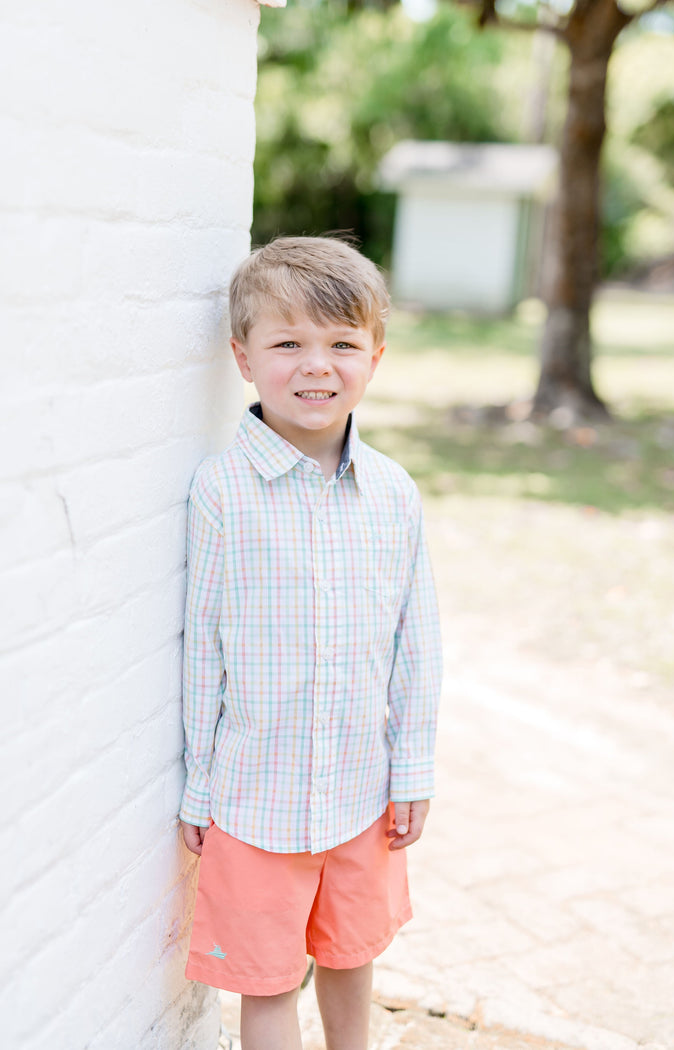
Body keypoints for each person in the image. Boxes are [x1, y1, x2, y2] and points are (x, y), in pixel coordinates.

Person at [179, 236, 442, 1050]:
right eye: (287, 343)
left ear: (376, 356)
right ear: (244, 358)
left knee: (351, 952)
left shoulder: (393, 494)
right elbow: (202, 653)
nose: (315, 365)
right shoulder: (222, 491)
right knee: (266, 981)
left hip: (363, 795)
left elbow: (418, 645)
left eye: (342, 344)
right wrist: (199, 785)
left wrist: (414, 768)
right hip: (255, 802)